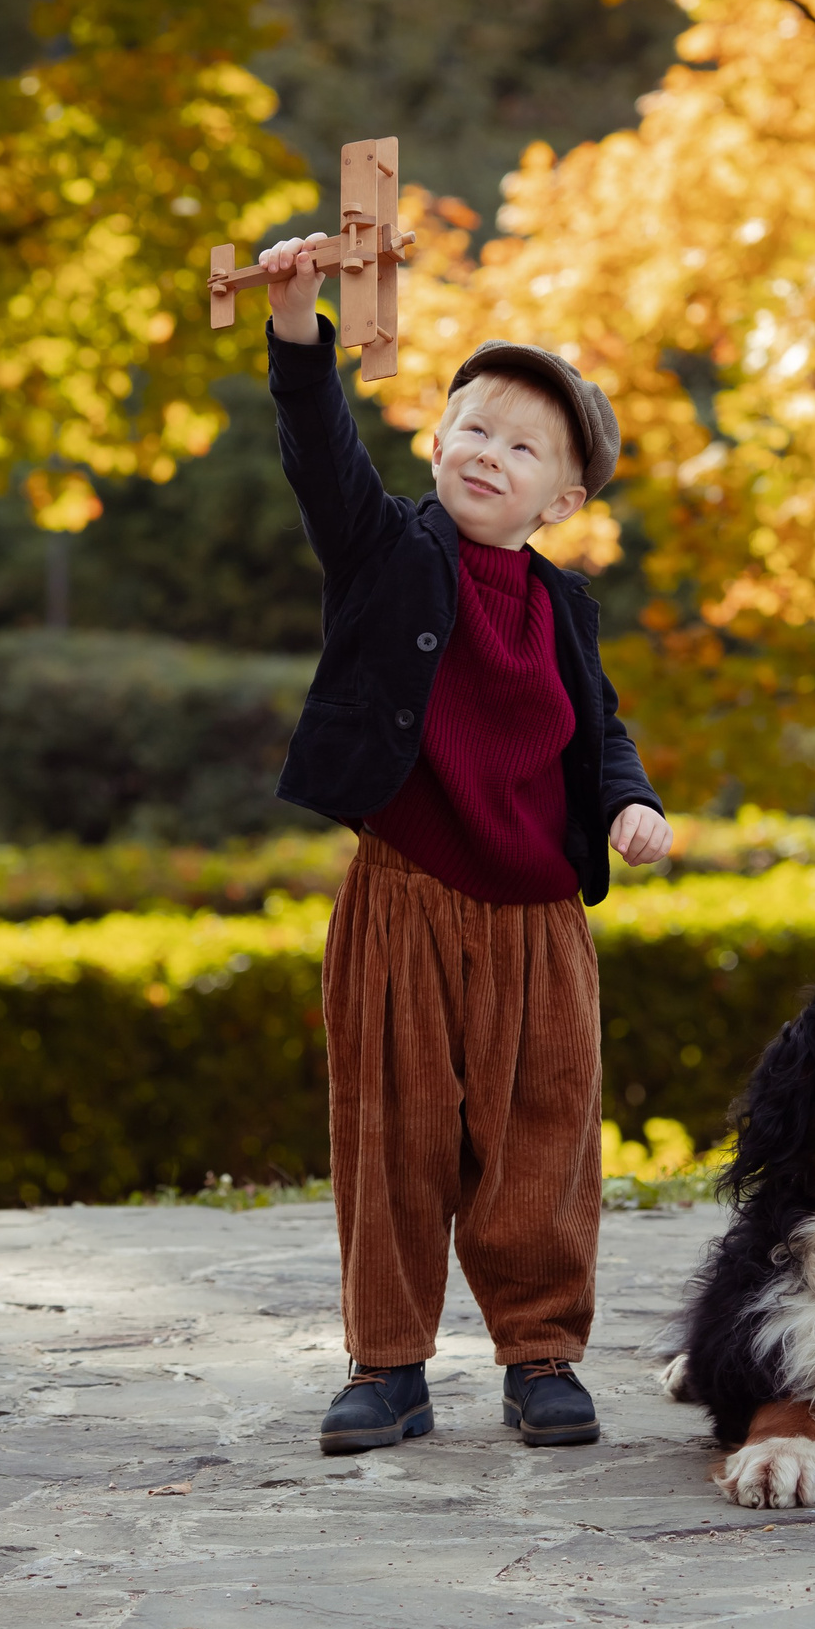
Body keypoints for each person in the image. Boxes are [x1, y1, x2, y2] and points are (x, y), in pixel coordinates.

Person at [254, 232, 674, 1454]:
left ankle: (541, 1355)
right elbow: (321, 460)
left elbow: (598, 733)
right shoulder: (386, 554)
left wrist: (626, 803)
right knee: (394, 1132)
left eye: (522, 444)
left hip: (540, 919)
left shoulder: (562, 605)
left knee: (543, 1137)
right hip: (406, 895)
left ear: (566, 499)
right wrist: (297, 333)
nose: (489, 452)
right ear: (435, 441)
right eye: (471, 427)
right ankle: (387, 1365)